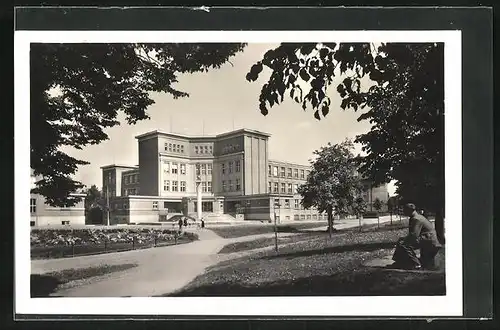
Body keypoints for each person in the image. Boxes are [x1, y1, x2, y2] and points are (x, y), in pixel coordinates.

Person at [391, 203, 441, 269]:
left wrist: (404, 240)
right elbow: (413, 235)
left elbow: (414, 235)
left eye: (404, 210)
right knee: (402, 241)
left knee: (404, 245)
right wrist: (403, 239)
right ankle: (399, 262)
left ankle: (416, 264)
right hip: (427, 238)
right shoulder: (417, 217)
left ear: (409, 210)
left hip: (429, 241)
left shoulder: (416, 219)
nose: (403, 212)